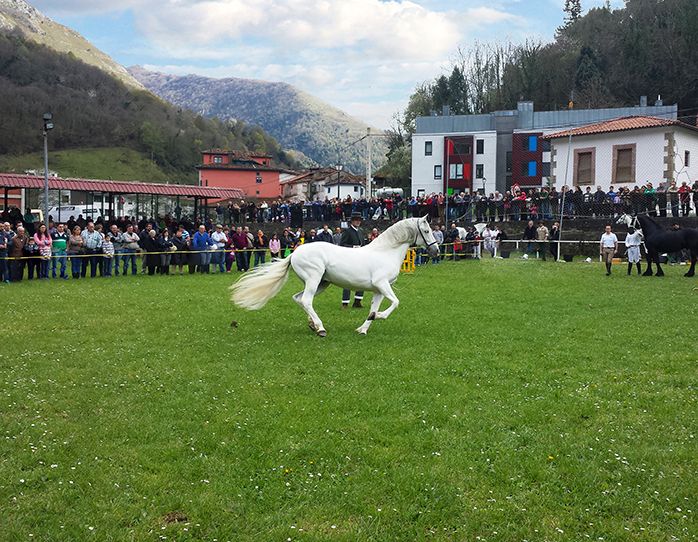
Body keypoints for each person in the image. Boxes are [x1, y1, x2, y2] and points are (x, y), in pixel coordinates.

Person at [339, 212, 365, 308]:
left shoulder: (360, 231)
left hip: (360, 259)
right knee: (348, 281)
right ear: (352, 221)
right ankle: (345, 302)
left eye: (359, 220)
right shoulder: (347, 231)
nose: (358, 222)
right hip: (349, 259)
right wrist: (353, 247)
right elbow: (342, 244)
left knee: (362, 280)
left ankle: (357, 301)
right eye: (356, 220)